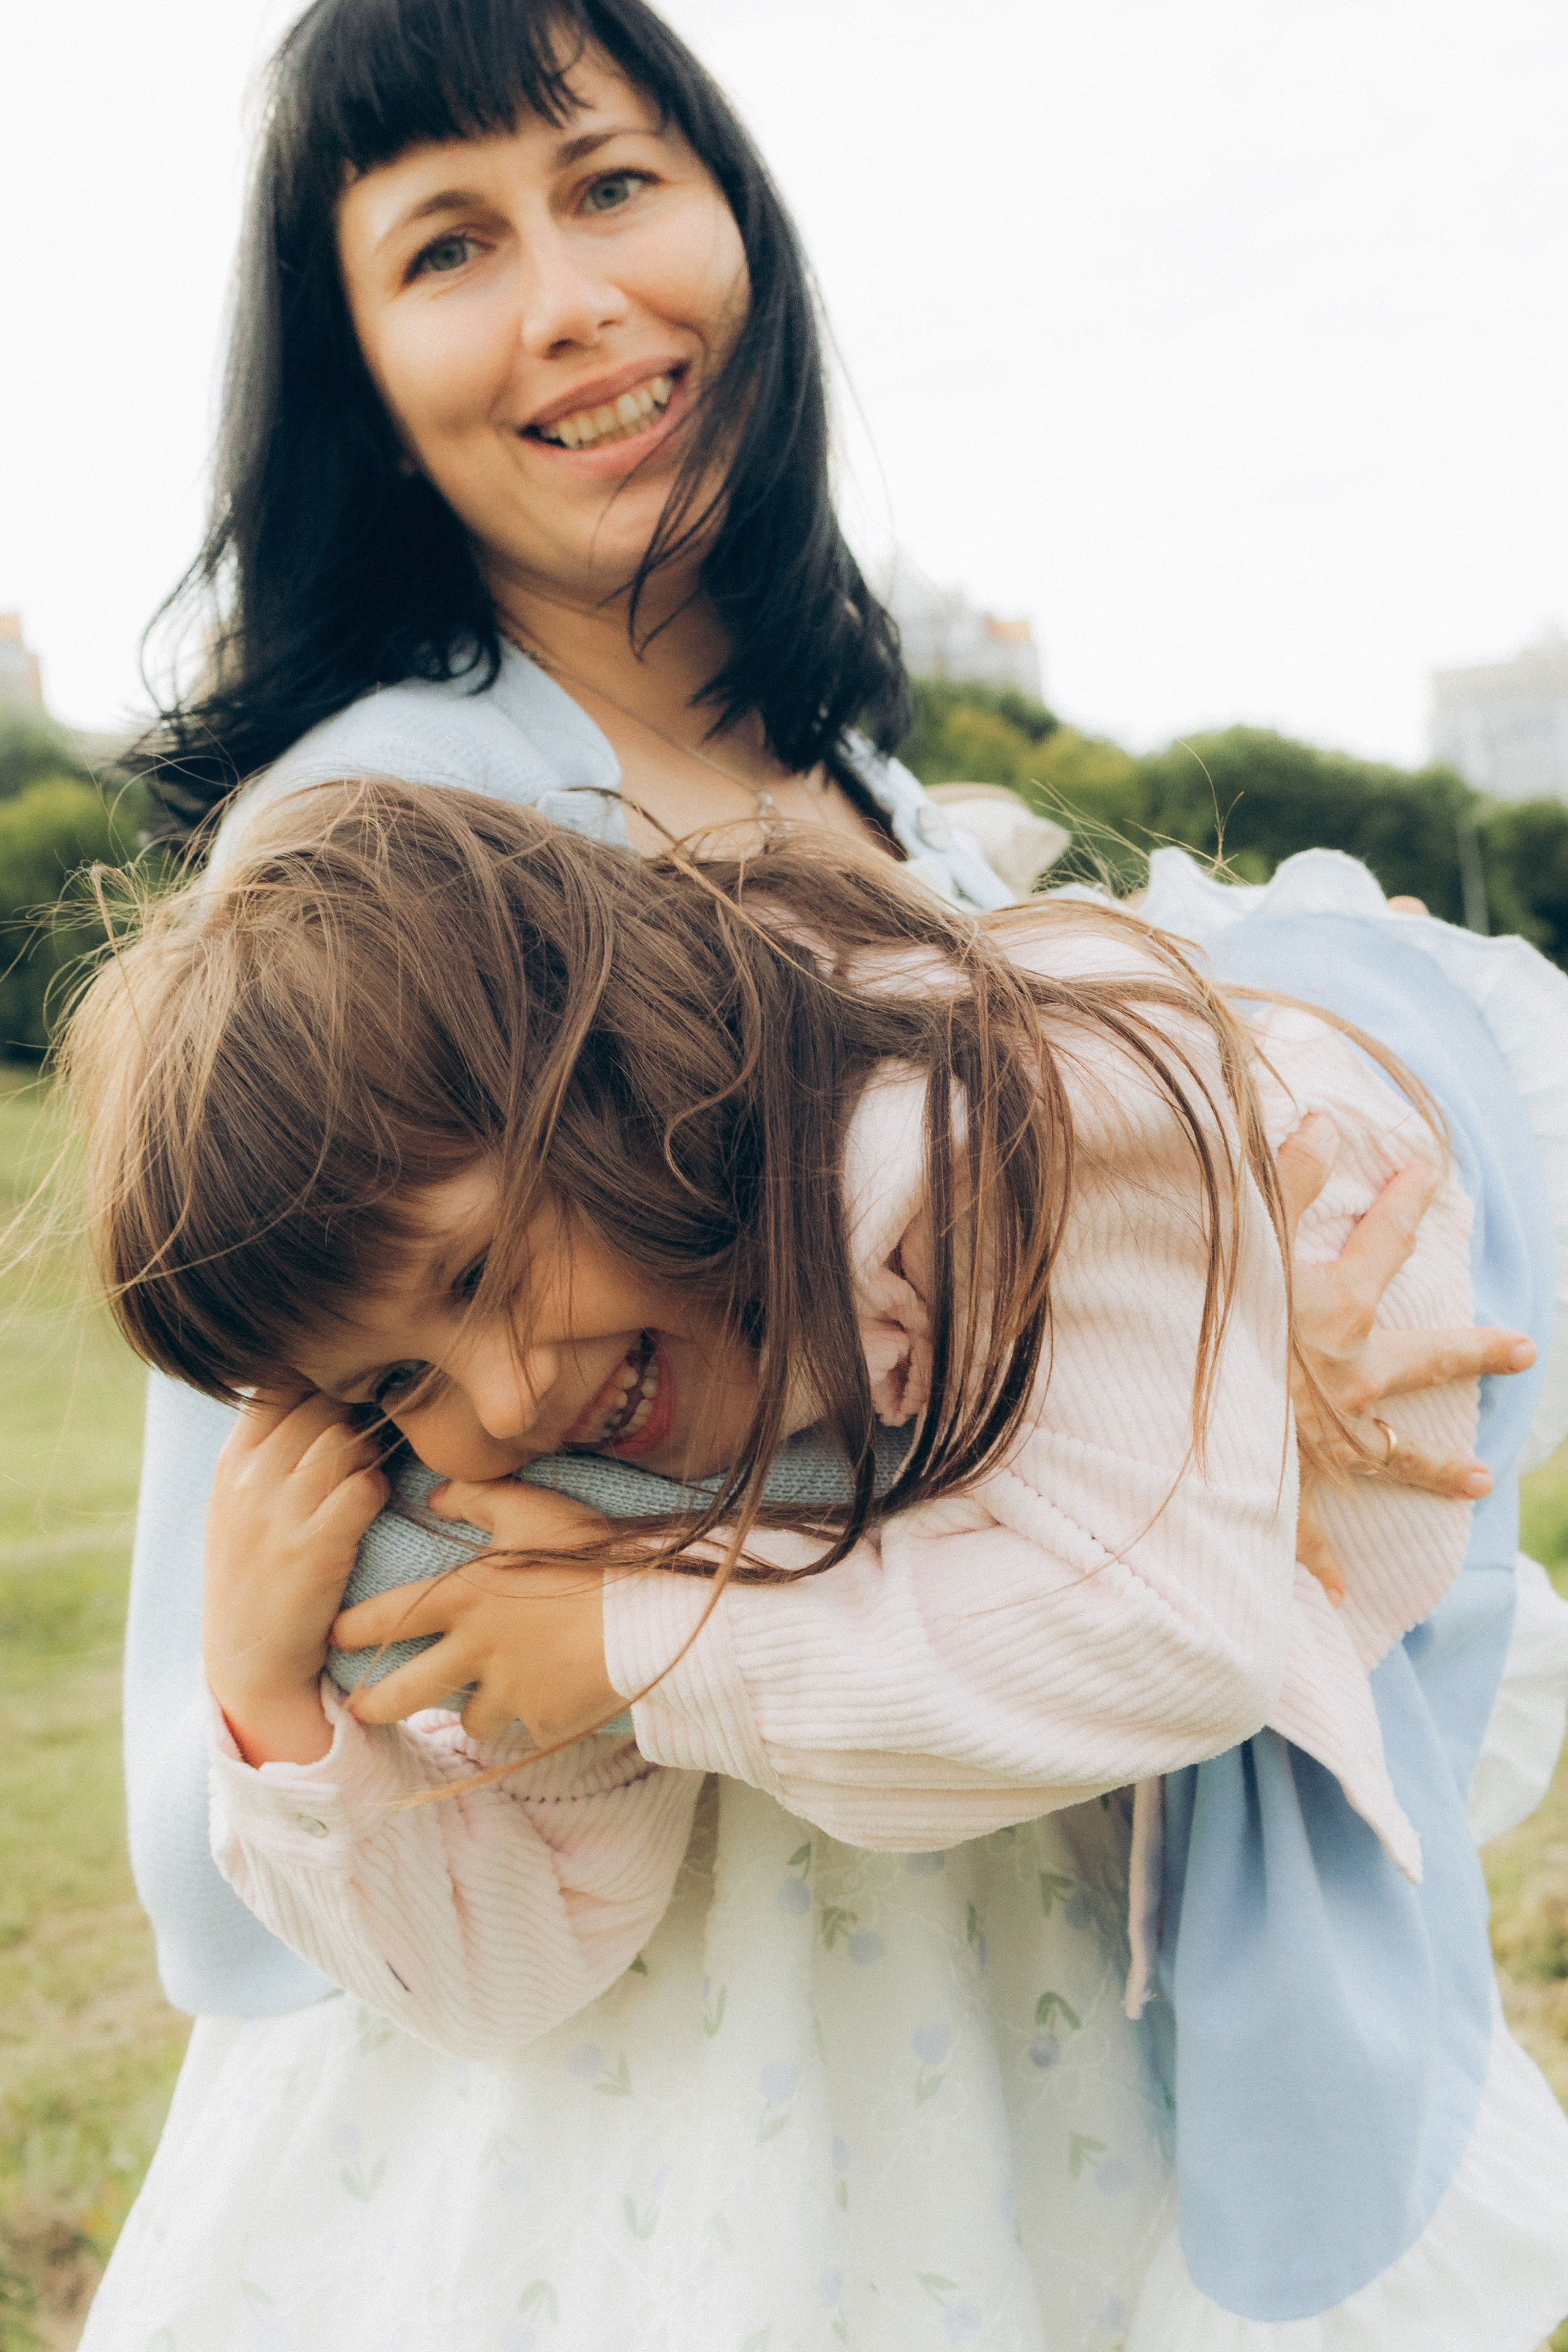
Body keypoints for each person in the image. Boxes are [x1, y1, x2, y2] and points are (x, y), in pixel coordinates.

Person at [67, 782, 1568, 2349]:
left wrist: (652, 1642)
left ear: (607, 1069)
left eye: (478, 1269)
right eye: (390, 1388)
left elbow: (1183, 1635)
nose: (497, 1401)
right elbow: (515, 1970)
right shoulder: (590, 1474)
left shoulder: (1014, 1129)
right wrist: (269, 1706)